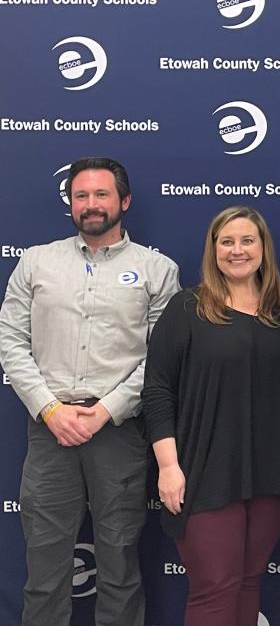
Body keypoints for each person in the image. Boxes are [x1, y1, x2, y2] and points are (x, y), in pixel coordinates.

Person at [0, 156, 180, 626]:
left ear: (124, 201)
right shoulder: (36, 262)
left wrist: (106, 411)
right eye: (81, 196)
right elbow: (11, 342)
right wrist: (49, 409)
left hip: (119, 434)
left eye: (101, 195)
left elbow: (159, 360)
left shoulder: (157, 270)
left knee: (120, 565)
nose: (91, 204)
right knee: (44, 567)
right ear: (71, 203)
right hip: (49, 431)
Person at [142, 205, 280, 626]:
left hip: (272, 473)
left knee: (249, 582)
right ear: (213, 250)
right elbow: (158, 389)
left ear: (263, 248)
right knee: (215, 588)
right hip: (204, 471)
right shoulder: (187, 308)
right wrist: (168, 467)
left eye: (247, 240)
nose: (237, 250)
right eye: (226, 241)